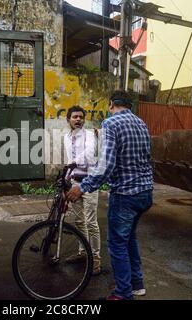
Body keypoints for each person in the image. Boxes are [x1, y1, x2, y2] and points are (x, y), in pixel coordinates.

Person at [67, 90, 154, 300]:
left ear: (111, 104)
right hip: (145, 192)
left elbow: (106, 165)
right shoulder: (141, 123)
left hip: (125, 194)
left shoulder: (111, 124)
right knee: (129, 239)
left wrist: (83, 186)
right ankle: (137, 284)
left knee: (116, 244)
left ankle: (123, 293)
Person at [63, 106, 102, 275]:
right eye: (74, 117)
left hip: (90, 183)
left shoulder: (90, 135)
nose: (78, 119)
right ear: (68, 120)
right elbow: (68, 159)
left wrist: (74, 163)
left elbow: (89, 154)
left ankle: (96, 259)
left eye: (80, 117)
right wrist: (66, 181)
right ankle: (82, 252)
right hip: (74, 183)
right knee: (79, 222)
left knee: (91, 222)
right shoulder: (66, 137)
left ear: (84, 120)